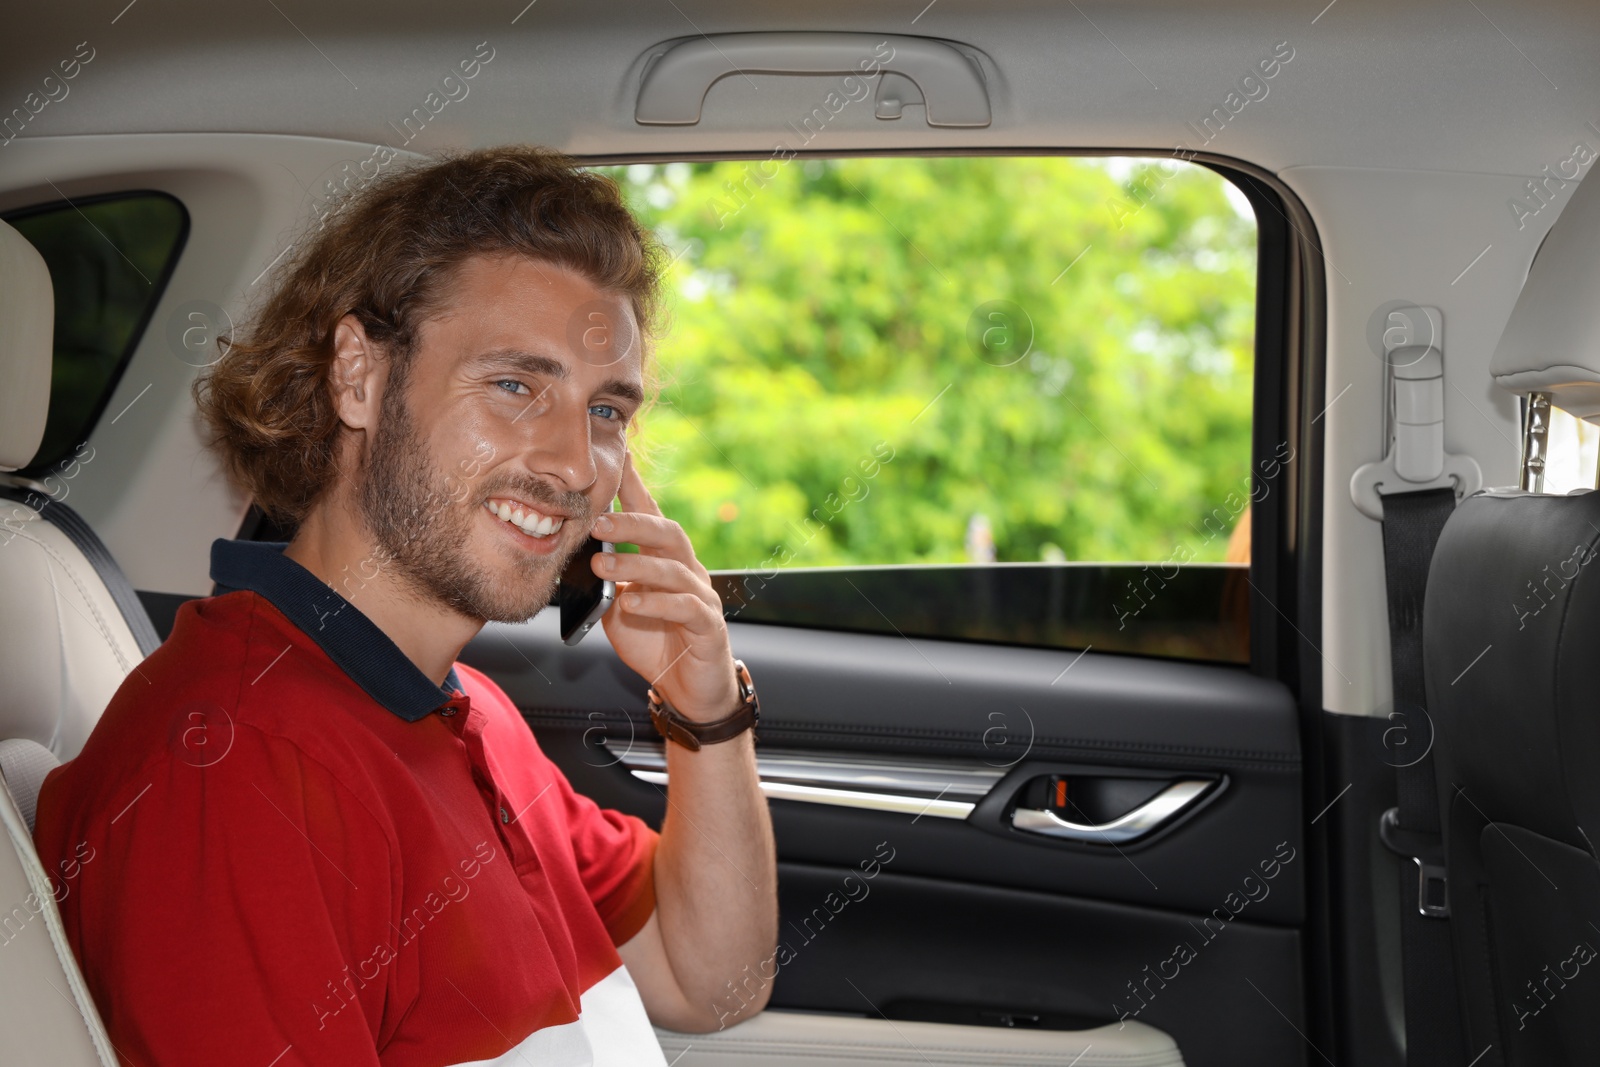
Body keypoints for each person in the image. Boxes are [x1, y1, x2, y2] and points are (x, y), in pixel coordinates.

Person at [32, 146, 777, 1066]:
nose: (577, 465)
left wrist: (706, 710)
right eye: (515, 386)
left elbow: (714, 983)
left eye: (607, 412)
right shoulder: (238, 759)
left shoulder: (469, 711)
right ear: (358, 377)